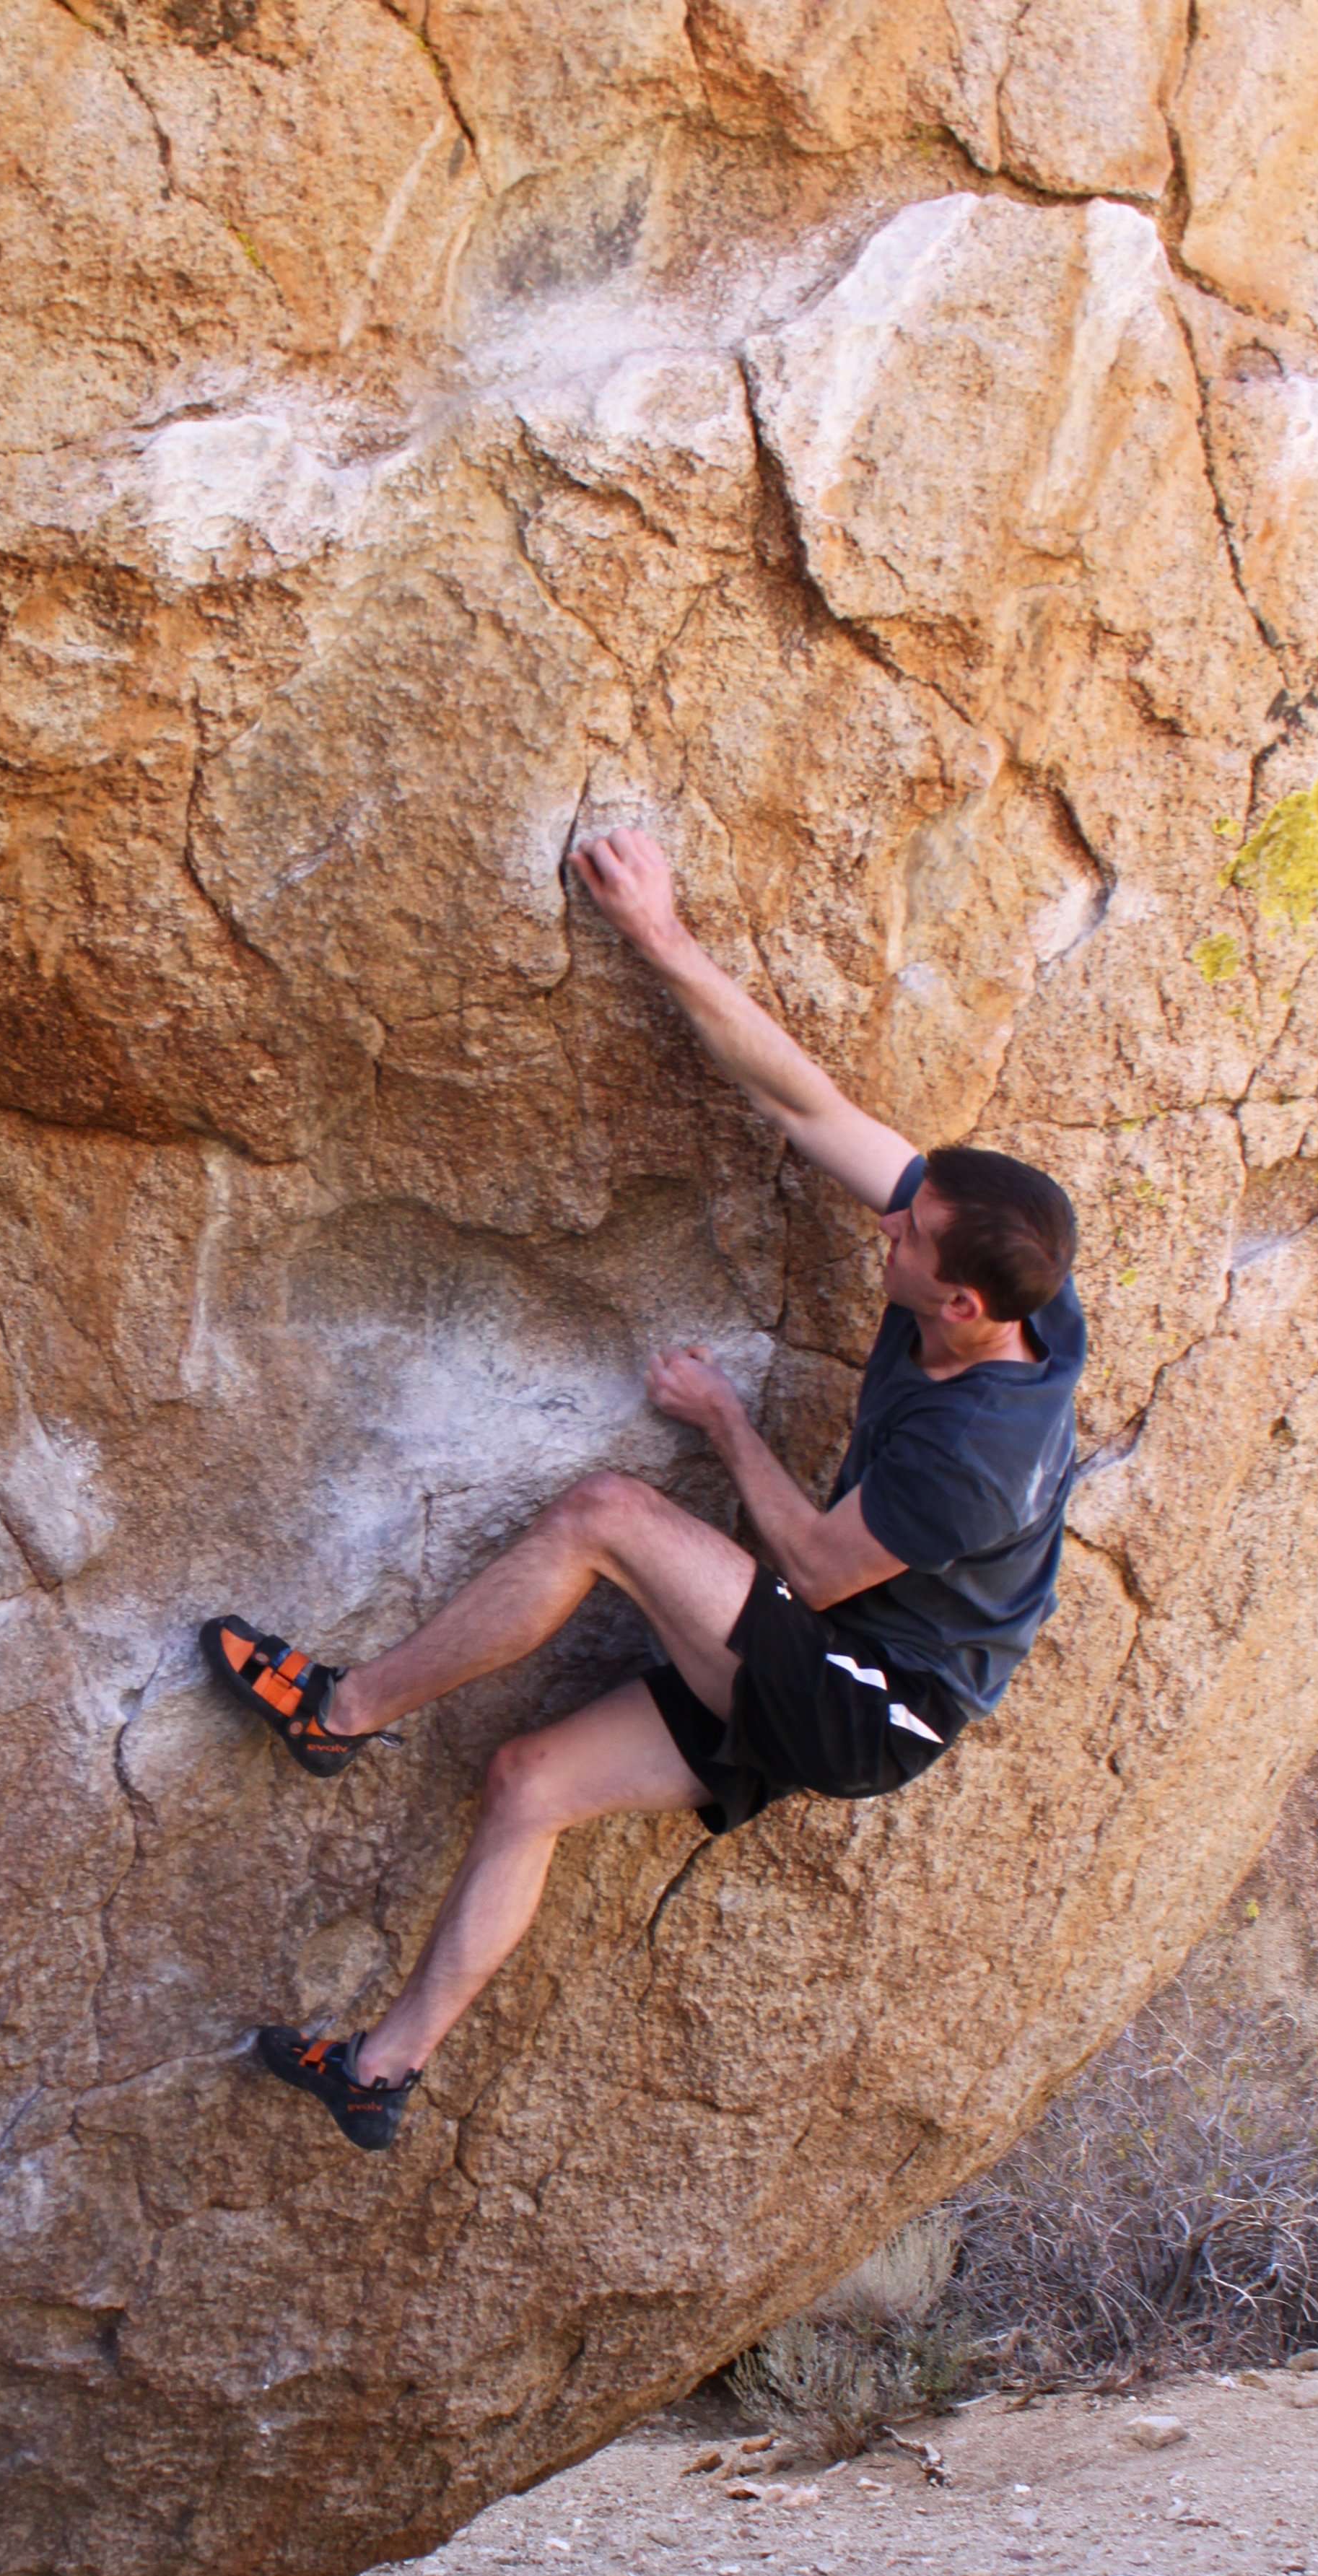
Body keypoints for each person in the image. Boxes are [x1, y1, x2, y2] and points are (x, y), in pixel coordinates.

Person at [201, 825, 1084, 2153]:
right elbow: (809, 1107)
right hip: (826, 1655)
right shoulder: (1013, 1287)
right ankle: (378, 2072)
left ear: (956, 1300)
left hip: (868, 1700)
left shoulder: (978, 1458)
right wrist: (657, 933)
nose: (885, 1224)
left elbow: (818, 1567)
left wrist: (728, 1423)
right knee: (526, 1779)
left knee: (607, 1516)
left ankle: (339, 1711)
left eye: (904, 1234)